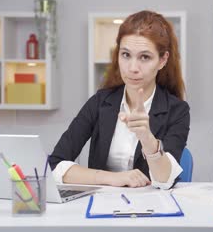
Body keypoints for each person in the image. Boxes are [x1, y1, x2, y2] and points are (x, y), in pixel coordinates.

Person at [49, 10, 189, 189]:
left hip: (152, 210)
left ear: (162, 60)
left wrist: (147, 139)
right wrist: (112, 178)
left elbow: (165, 180)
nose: (132, 68)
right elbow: (55, 165)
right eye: (126, 55)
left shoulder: (178, 110)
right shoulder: (99, 102)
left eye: (145, 57)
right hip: (100, 206)